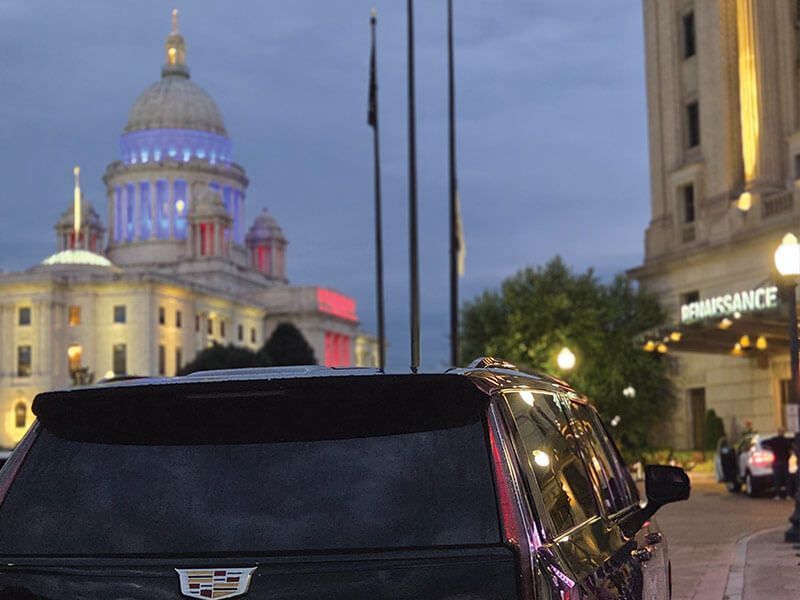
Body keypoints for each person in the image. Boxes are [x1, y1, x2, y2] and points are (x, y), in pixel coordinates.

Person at [763, 426, 794, 500]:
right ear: (784, 432)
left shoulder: (774, 440)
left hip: (776, 461)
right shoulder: (786, 441)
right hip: (785, 462)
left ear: (778, 432)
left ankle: (777, 495)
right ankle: (788, 495)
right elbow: (791, 449)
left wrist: (769, 449)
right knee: (787, 479)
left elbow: (764, 443)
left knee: (777, 479)